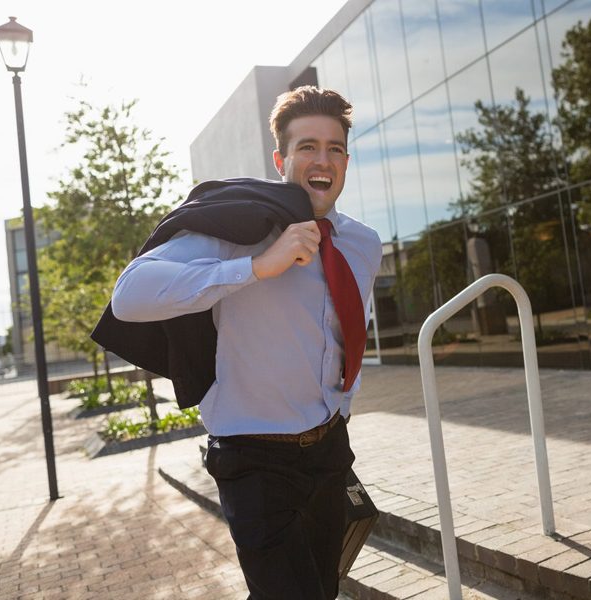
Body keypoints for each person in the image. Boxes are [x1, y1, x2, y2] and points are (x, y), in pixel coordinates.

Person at [110, 86, 382, 599]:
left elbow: (348, 333)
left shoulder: (364, 244)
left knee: (323, 588)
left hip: (328, 450)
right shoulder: (238, 228)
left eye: (334, 148)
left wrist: (342, 406)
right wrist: (258, 266)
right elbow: (129, 296)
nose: (322, 159)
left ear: (346, 159)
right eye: (306, 147)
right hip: (253, 461)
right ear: (281, 159)